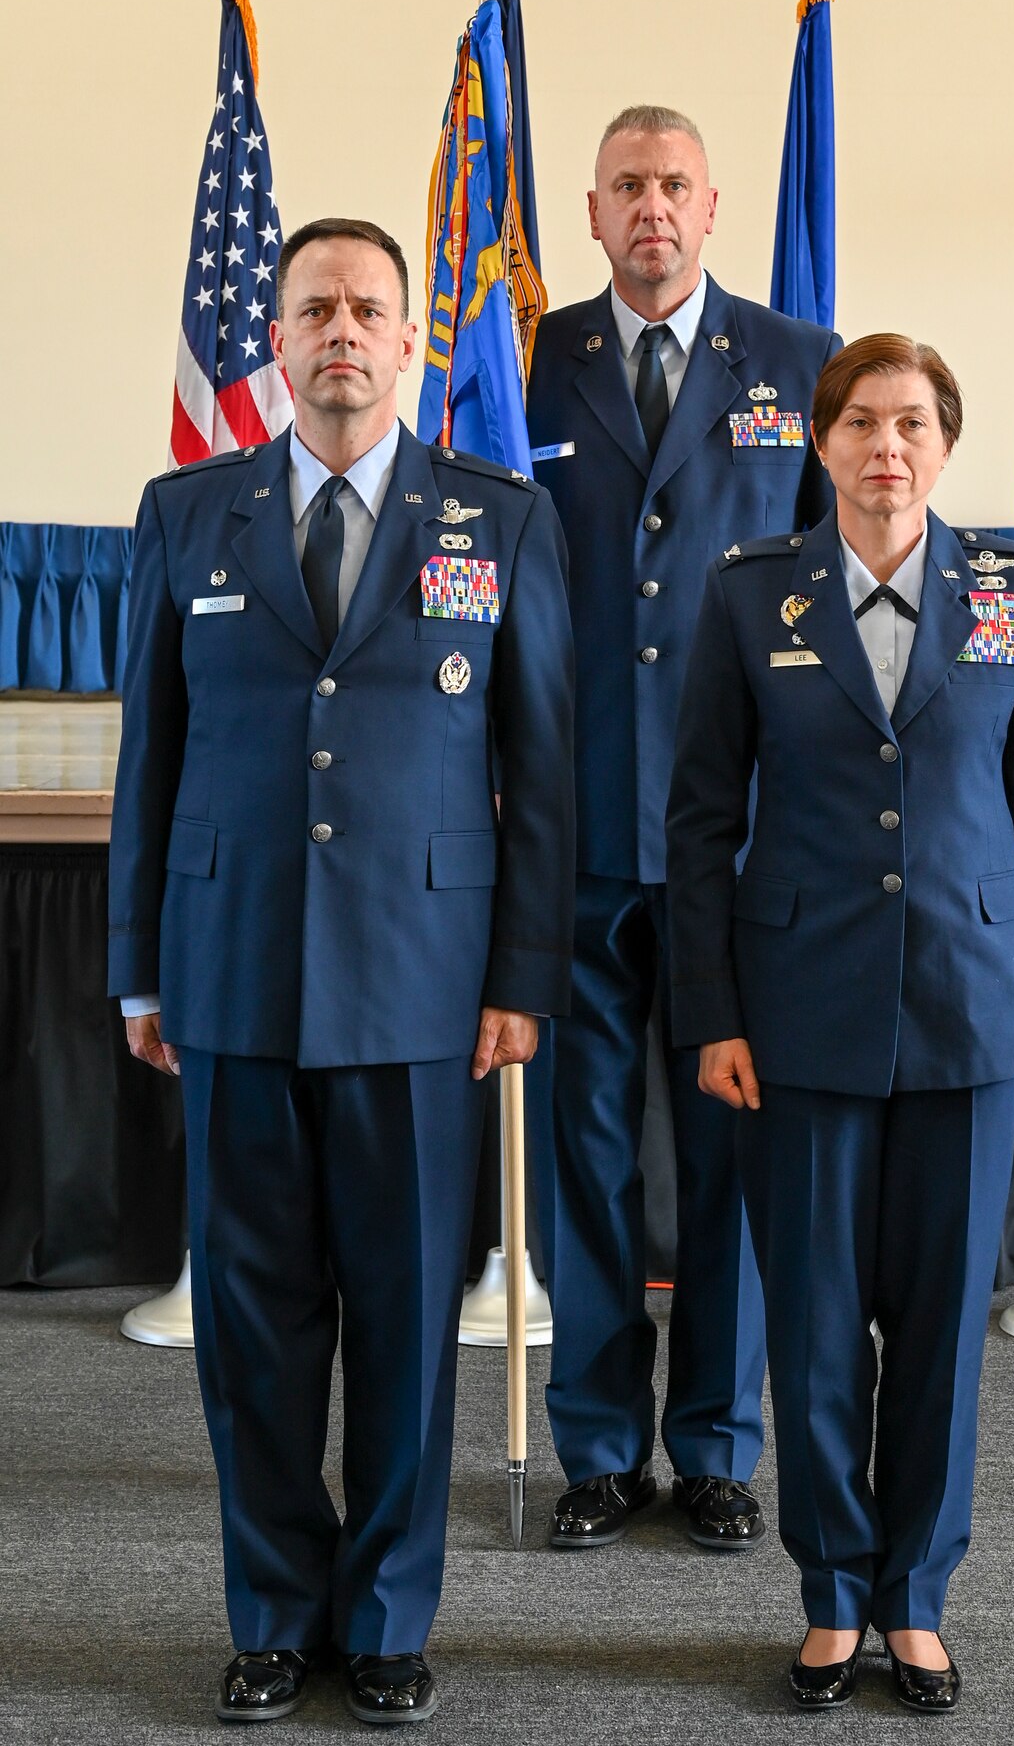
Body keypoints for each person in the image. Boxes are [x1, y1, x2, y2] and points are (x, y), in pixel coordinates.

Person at [108, 217, 574, 1726]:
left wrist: (521, 974)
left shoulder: (494, 519)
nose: (343, 335)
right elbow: (150, 766)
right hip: (231, 971)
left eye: (370, 309)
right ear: (281, 340)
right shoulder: (190, 515)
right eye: (316, 309)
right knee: (252, 1325)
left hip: (423, 987)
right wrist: (135, 971)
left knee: (401, 1318)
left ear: (410, 335)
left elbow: (543, 773)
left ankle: (382, 1617)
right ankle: (270, 1612)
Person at [666, 333, 1014, 1711]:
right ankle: (830, 1593)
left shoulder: (1009, 591)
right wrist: (713, 1013)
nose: (884, 447)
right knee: (811, 1322)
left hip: (972, 1010)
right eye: (858, 422)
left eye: (911, 423)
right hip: (799, 1017)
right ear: (819, 440)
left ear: (944, 444)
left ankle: (914, 1594)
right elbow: (699, 825)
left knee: (935, 1330)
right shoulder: (749, 598)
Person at [524, 104, 842, 1553]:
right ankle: (598, 1446)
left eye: (676, 187)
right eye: (626, 188)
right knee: (583, 1151)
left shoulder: (798, 365)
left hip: (741, 839)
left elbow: (833, 596)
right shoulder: (525, 362)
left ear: (714, 209)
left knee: (727, 1150)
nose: (651, 208)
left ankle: (716, 1442)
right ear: (589, 213)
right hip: (576, 827)